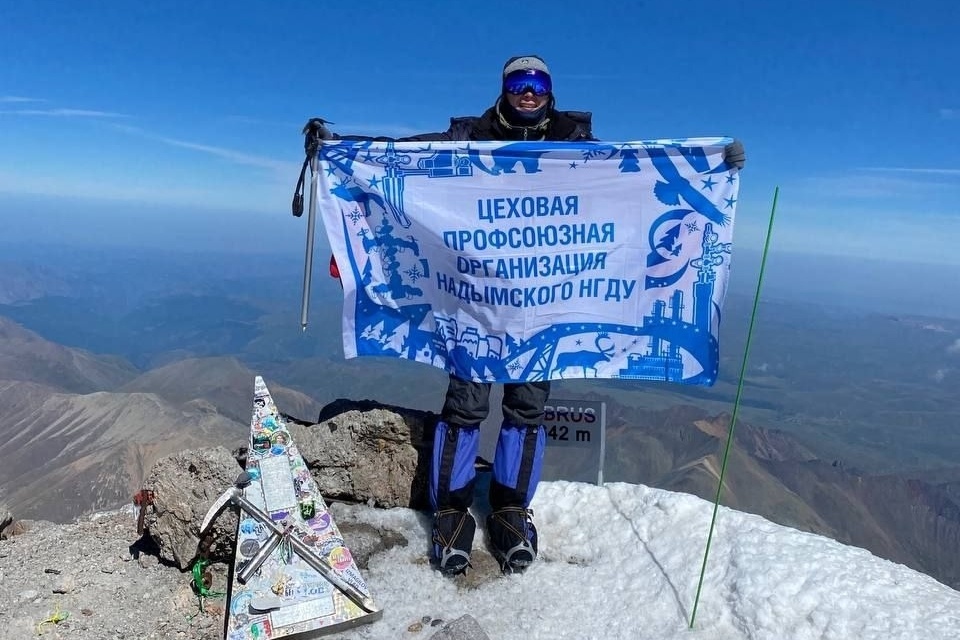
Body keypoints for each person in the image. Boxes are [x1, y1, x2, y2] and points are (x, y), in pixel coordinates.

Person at [310, 55, 746, 575]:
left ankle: (510, 509)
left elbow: (637, 175)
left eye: (537, 83)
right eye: (519, 83)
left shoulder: (580, 148)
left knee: (526, 409)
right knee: (466, 406)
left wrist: (715, 161)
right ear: (504, 89)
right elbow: (408, 156)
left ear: (550, 91)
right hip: (476, 304)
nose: (528, 92)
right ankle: (451, 513)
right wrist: (339, 148)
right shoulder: (469, 138)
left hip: (546, 308)